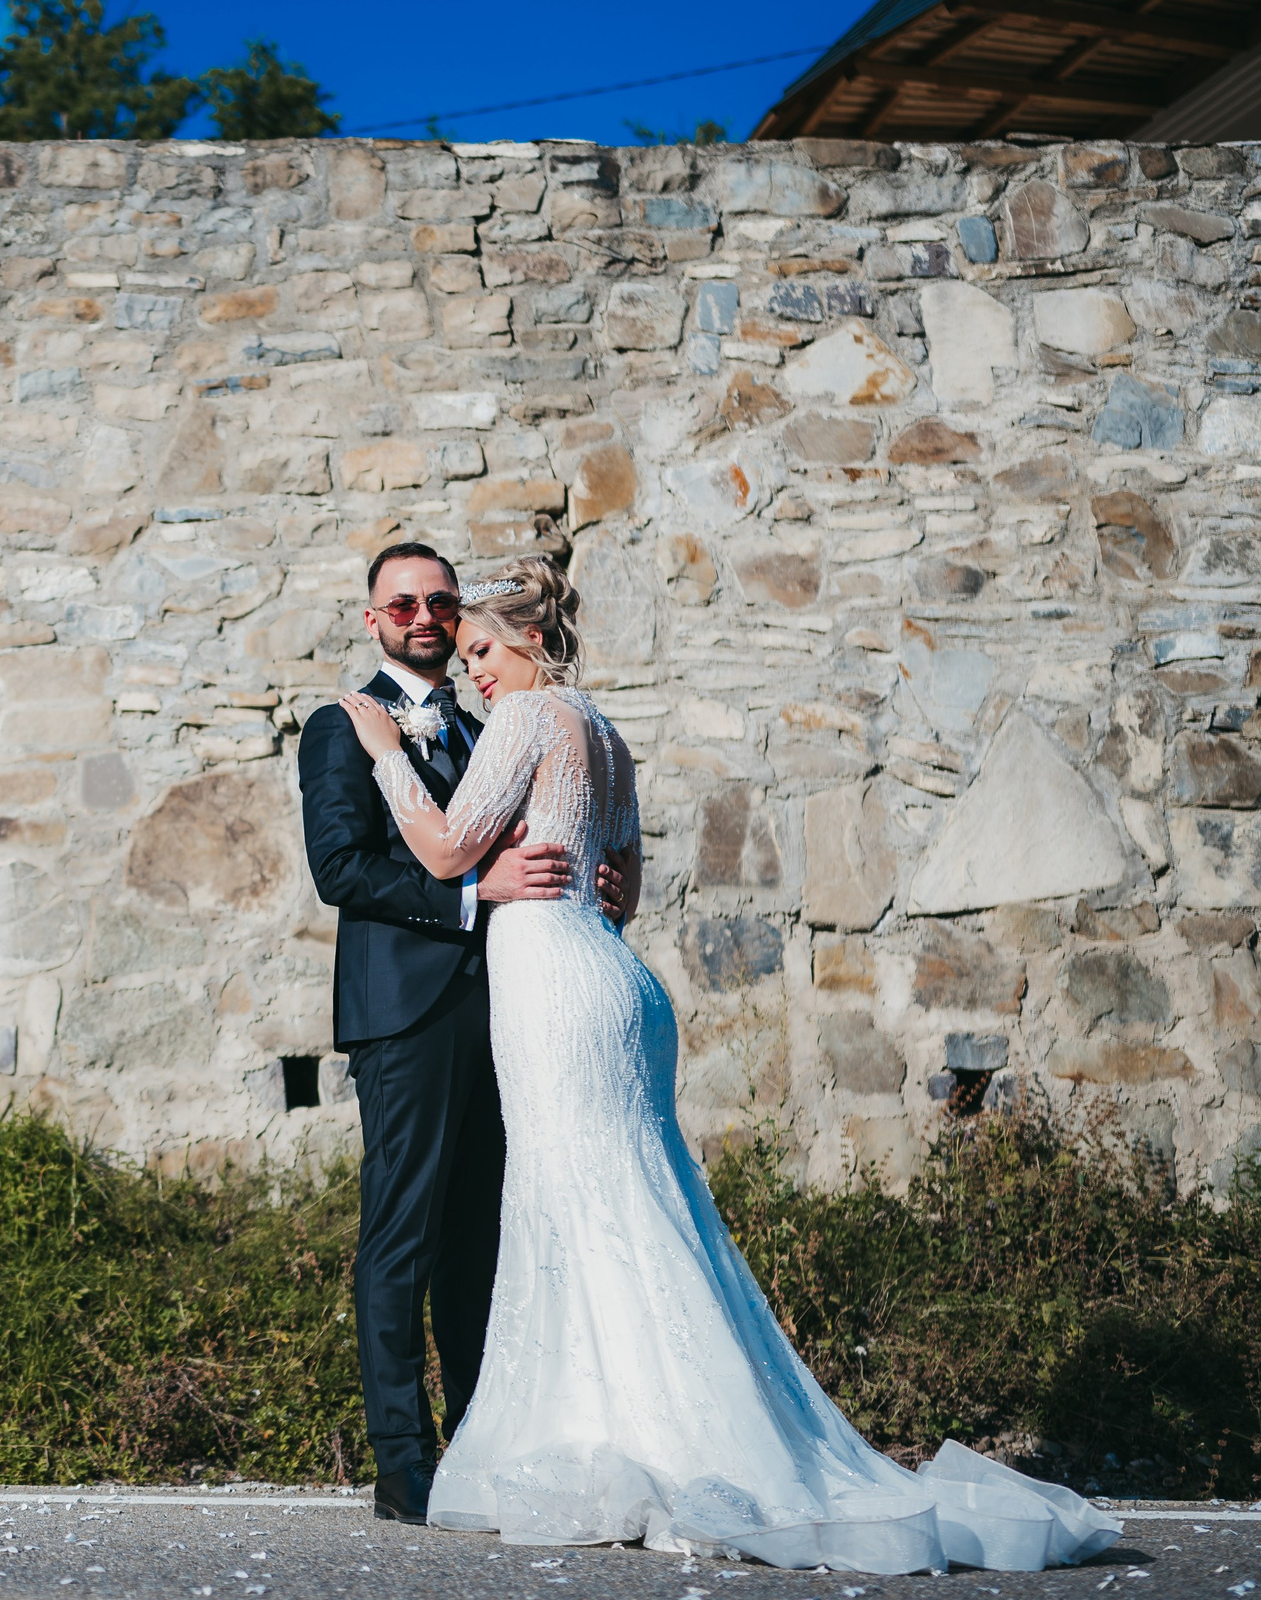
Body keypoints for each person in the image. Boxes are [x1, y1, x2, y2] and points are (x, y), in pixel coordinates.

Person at [330, 555, 1120, 1574]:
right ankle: (653, 1422)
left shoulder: (524, 716)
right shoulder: (603, 730)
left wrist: (386, 753)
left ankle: (628, 1436)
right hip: (611, 976)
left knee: (578, 1204)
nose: (474, 667)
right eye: (466, 651)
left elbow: (444, 854)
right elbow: (622, 882)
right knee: (633, 1204)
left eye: (483, 646)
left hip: (555, 987)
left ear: (526, 641)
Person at [298, 541, 620, 1527]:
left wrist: (591, 874)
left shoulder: (496, 718)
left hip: (510, 1006)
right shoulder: (342, 726)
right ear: (372, 619)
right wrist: (477, 891)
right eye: (402, 603)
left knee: (482, 1237)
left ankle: (481, 1449)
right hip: (404, 1013)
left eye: (440, 601)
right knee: (402, 1232)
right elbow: (342, 869)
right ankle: (405, 1468)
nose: (425, 617)